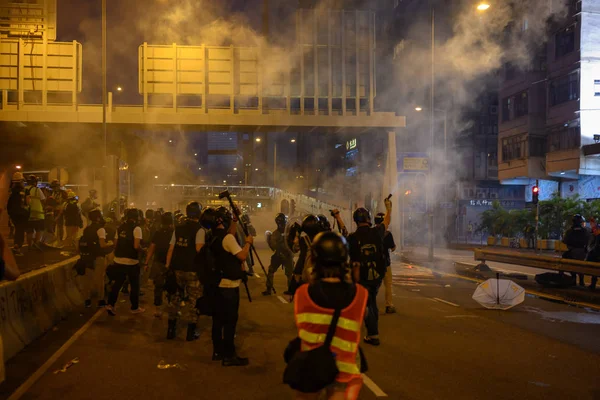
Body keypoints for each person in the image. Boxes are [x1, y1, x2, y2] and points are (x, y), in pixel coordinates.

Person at [290, 231, 368, 400]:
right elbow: (361, 317)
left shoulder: (303, 293)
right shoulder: (360, 294)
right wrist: (353, 280)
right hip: (344, 369)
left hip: (311, 366)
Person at [205, 206, 252, 366]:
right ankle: (229, 355)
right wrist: (247, 243)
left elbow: (229, 236)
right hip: (229, 287)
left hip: (217, 284)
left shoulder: (213, 236)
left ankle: (217, 352)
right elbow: (242, 255)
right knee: (230, 322)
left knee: (217, 320)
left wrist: (234, 220)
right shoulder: (228, 239)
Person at [347, 198, 392, 346]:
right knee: (372, 302)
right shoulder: (377, 231)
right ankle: (372, 332)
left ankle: (373, 334)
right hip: (378, 276)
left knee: (367, 304)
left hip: (363, 277)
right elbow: (386, 222)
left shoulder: (352, 238)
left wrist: (355, 280)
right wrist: (389, 209)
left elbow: (353, 262)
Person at [165, 202, 205, 341]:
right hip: (192, 270)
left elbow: (171, 249)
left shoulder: (178, 228)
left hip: (176, 269)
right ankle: (191, 332)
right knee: (194, 301)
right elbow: (199, 250)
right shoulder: (200, 230)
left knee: (175, 299)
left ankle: (171, 330)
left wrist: (168, 266)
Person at [106, 208, 145, 316]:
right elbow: (136, 246)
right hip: (131, 261)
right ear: (137, 217)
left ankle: (110, 304)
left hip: (118, 260)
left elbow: (115, 243)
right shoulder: (137, 228)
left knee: (117, 284)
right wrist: (143, 250)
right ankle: (134, 307)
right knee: (134, 285)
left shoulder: (120, 227)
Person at [144, 212, 174, 318]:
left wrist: (146, 263)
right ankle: (171, 306)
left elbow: (151, 249)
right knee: (172, 286)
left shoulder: (157, 232)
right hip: (171, 264)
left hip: (158, 263)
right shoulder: (174, 233)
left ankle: (158, 309)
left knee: (158, 286)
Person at [80, 210, 112, 308]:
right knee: (99, 279)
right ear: (98, 218)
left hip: (87, 257)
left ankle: (87, 300)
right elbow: (102, 244)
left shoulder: (87, 229)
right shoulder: (100, 229)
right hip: (98, 257)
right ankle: (100, 300)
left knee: (87, 279)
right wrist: (110, 243)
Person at [287, 215, 322, 295]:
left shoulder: (304, 240)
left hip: (308, 273)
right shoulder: (323, 238)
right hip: (321, 272)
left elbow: (302, 258)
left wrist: (296, 275)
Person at [263, 213, 294, 296]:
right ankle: (291, 290)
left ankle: (269, 289)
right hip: (287, 255)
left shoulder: (276, 233)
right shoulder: (289, 232)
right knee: (289, 274)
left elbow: (273, 246)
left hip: (280, 255)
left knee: (272, 271)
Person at [375, 212, 397, 314]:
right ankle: (389, 305)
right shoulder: (388, 234)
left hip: (374, 264)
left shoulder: (372, 233)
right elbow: (393, 248)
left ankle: (370, 304)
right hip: (386, 264)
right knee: (388, 284)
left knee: (374, 285)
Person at [561, 214, 590, 286]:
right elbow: (588, 240)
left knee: (564, 260)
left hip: (572, 252)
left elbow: (564, 241)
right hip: (583, 253)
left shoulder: (569, 231)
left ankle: (573, 279)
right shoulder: (585, 231)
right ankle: (581, 281)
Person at [7, 172, 29, 256]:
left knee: (17, 230)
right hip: (21, 214)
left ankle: (16, 246)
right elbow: (26, 203)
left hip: (13, 214)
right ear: (21, 182)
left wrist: (10, 214)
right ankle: (17, 247)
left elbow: (9, 204)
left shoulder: (11, 192)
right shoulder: (23, 192)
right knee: (20, 231)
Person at [25, 175, 46, 251]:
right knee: (39, 230)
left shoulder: (24, 190)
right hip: (38, 214)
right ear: (35, 182)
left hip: (27, 214)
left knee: (29, 231)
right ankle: (36, 243)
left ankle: (29, 246)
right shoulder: (37, 190)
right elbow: (43, 200)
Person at [586, 217, 600, 291]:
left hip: (596, 256)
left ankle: (593, 284)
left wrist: (591, 251)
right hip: (596, 256)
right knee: (594, 271)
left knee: (594, 270)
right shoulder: (595, 234)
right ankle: (593, 284)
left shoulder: (597, 235)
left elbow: (596, 247)